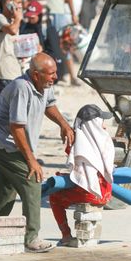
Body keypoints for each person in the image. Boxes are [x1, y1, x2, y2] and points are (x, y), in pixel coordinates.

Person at [0, 52, 74, 254]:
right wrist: (32, 160)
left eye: (56, 72)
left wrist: (64, 125)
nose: (55, 77)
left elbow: (50, 105)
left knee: (3, 193)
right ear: (36, 75)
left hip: (4, 143)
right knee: (32, 179)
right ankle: (32, 238)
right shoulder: (21, 88)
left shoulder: (44, 86)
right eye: (50, 73)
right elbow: (16, 127)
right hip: (1, 143)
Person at [49, 104, 114, 246]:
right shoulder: (106, 140)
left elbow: (74, 163)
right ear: (96, 123)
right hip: (106, 192)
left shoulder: (77, 140)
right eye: (102, 121)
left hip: (88, 194)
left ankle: (66, 235)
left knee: (54, 197)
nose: (104, 125)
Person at [36, 0, 79, 85]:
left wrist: (73, 14)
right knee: (47, 46)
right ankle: (55, 76)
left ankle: (71, 75)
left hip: (59, 12)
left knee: (64, 44)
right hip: (43, 15)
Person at [0, 0, 23, 98]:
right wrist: (18, 18)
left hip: (16, 71)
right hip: (4, 73)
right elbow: (12, 31)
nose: (20, 7)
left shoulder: (14, 22)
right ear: (8, 3)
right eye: (18, 3)